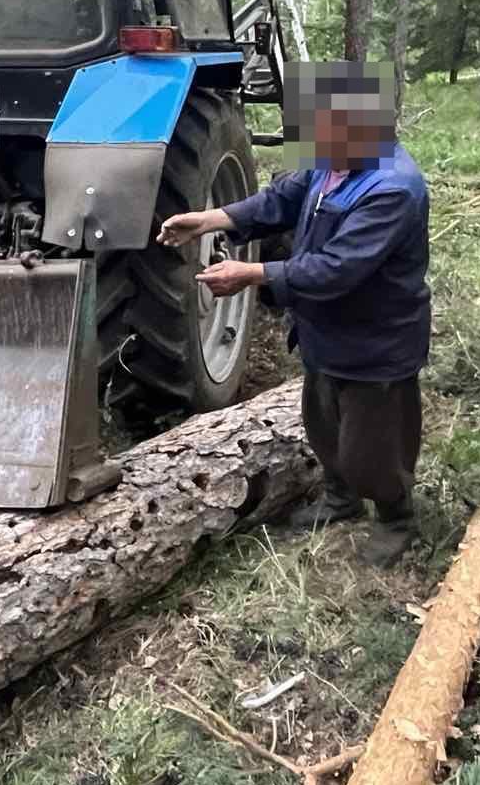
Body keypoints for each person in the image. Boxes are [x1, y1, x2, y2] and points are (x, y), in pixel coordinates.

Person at [157, 63, 431, 568]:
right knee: (323, 425)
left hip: (376, 340)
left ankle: (396, 517)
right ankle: (340, 497)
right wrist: (212, 219)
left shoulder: (391, 189)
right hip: (327, 331)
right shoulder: (336, 161)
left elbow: (335, 269)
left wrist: (252, 274)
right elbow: (284, 195)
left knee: (372, 445)